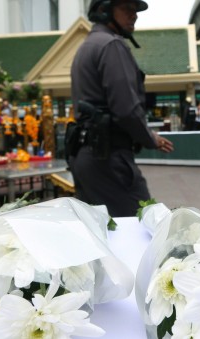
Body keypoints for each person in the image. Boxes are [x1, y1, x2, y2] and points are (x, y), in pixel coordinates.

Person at [68, 0, 174, 217]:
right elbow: (126, 109)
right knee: (141, 224)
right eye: (127, 8)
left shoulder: (87, 46)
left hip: (87, 155)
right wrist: (149, 138)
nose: (134, 15)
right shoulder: (111, 45)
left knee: (103, 234)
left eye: (135, 10)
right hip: (109, 157)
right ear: (103, 10)